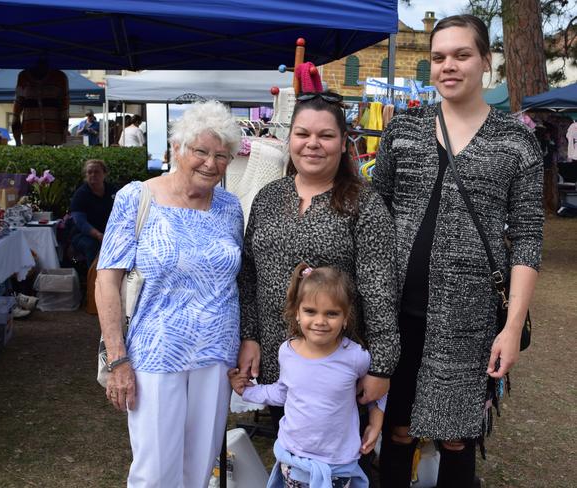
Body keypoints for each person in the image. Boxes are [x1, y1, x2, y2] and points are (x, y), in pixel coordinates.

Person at [372, 15, 544, 488]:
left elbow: (528, 238)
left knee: (456, 435)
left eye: (461, 55)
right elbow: (375, 214)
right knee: (398, 427)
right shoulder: (403, 132)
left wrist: (511, 329)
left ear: (486, 62)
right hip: (396, 312)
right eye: (439, 57)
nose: (448, 66)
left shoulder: (516, 140)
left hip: (470, 318)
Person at [95, 100, 243, 487]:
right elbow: (106, 280)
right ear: (177, 148)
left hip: (216, 355)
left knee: (199, 470)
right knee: (155, 472)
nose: (211, 163)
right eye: (201, 151)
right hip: (156, 354)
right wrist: (117, 359)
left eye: (221, 155)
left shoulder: (230, 207)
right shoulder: (137, 197)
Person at [237, 91, 400, 431]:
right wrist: (249, 336)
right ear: (290, 139)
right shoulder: (269, 197)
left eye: (325, 135)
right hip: (278, 358)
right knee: (294, 454)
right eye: (303, 134)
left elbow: (380, 290)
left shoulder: (363, 204)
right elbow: (249, 273)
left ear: (343, 143)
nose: (313, 144)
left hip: (338, 367)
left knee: (340, 463)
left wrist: (381, 367)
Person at [230, 263, 386, 488]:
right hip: (294, 459)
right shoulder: (287, 351)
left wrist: (376, 419)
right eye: (310, 311)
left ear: (345, 317)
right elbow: (282, 392)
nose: (320, 321)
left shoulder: (355, 356)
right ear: (297, 313)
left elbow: (377, 389)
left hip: (337, 463)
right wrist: (247, 390)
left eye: (331, 313)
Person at [70, 159, 117, 264]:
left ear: (105, 174)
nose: (93, 175)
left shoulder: (113, 190)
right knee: (92, 246)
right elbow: (80, 222)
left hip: (109, 233)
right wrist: (99, 235)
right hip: (84, 235)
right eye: (89, 172)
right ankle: (94, 278)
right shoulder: (80, 194)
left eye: (97, 172)